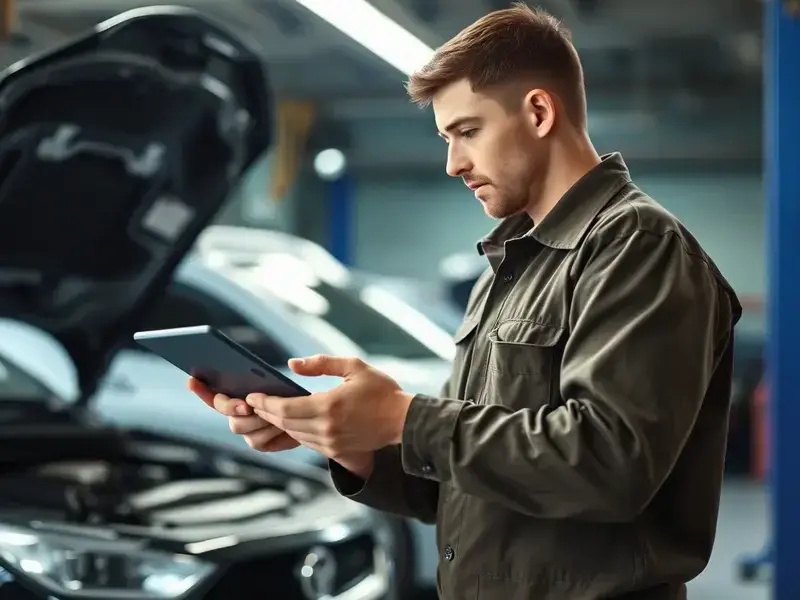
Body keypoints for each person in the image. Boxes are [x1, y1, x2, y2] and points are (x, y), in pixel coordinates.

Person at [190, 3, 742, 599]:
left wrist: (404, 416)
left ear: (537, 112)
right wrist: (349, 442)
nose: (453, 163)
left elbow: (609, 464)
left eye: (466, 131)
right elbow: (460, 481)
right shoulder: (505, 268)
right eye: (446, 138)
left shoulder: (636, 247)